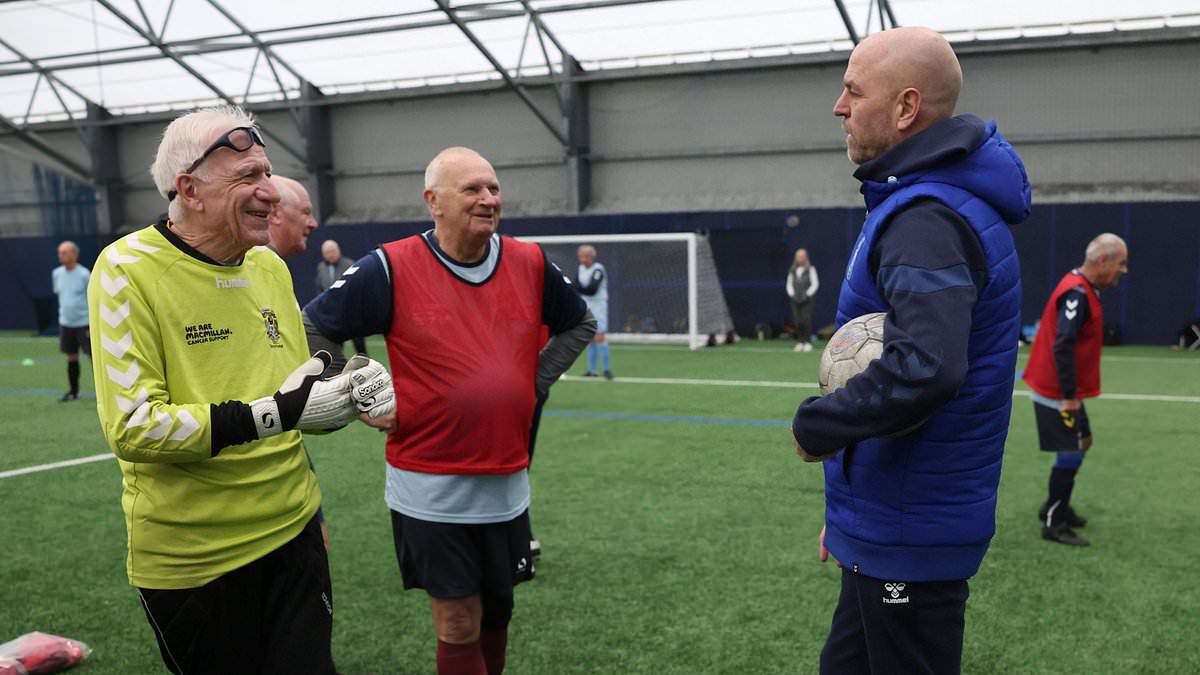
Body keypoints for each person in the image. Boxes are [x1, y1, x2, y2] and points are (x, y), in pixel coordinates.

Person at [87, 105, 393, 675]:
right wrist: (278, 413)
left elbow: (297, 391)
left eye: (268, 174)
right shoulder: (126, 269)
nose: (271, 193)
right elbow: (135, 427)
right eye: (249, 177)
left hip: (293, 531)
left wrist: (347, 383)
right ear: (190, 189)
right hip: (197, 561)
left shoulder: (267, 266)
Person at [790, 27, 1030, 674]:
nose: (838, 106)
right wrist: (854, 519)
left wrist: (821, 424)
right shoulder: (930, 201)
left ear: (905, 108)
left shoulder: (926, 218)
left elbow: (927, 363)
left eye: (851, 90)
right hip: (891, 526)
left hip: (910, 535)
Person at [304, 146, 595, 675]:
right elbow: (314, 325)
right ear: (432, 201)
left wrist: (531, 379)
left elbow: (580, 322)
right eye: (472, 189)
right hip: (429, 484)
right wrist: (350, 387)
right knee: (458, 620)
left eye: (494, 188)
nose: (488, 199)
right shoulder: (390, 266)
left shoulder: (529, 261)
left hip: (507, 480)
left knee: (498, 614)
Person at [1023, 233, 1128, 547]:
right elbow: (1064, 343)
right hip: (1056, 391)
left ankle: (1056, 505)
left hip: (1064, 391)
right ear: (1102, 261)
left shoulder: (1082, 286)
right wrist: (1069, 398)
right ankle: (1054, 520)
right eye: (1121, 263)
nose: (1124, 270)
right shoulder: (1078, 294)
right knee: (1071, 449)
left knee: (1083, 442)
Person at [268, 175, 332, 552]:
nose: (313, 222)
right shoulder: (244, 273)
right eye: (306, 212)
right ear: (275, 214)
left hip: (286, 452)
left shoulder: (274, 272)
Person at [52, 240, 91, 401]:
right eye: (60, 252)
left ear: (75, 254)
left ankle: (108, 394)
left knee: (94, 359)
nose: (61, 255)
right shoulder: (56, 273)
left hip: (84, 324)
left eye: (64, 252)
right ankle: (73, 392)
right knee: (71, 357)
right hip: (66, 324)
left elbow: (91, 297)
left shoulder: (84, 274)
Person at [316, 239, 369, 357]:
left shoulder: (350, 265)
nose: (330, 254)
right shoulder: (321, 268)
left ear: (338, 251)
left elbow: (358, 287)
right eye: (327, 252)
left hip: (352, 313)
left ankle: (367, 368)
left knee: (360, 346)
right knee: (336, 346)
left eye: (332, 251)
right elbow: (319, 289)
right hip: (333, 315)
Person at [576, 244, 612, 379]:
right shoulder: (580, 269)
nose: (583, 259)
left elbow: (592, 289)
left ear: (592, 257)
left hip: (599, 307)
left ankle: (607, 370)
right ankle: (592, 370)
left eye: (586, 256)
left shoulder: (598, 270)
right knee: (589, 338)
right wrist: (579, 288)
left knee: (599, 337)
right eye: (581, 257)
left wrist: (580, 288)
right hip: (586, 306)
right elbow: (575, 285)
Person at [266, 175, 317, 258]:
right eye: (306, 212)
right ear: (275, 214)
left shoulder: (261, 264)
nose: (314, 224)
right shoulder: (259, 266)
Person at [785, 247, 820, 352]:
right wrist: (793, 294)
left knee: (805, 320)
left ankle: (808, 342)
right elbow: (789, 285)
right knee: (797, 321)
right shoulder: (792, 270)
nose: (799, 258)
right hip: (795, 299)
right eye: (798, 256)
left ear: (805, 257)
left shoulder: (811, 269)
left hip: (807, 300)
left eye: (801, 256)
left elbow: (815, 284)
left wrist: (807, 294)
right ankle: (800, 341)